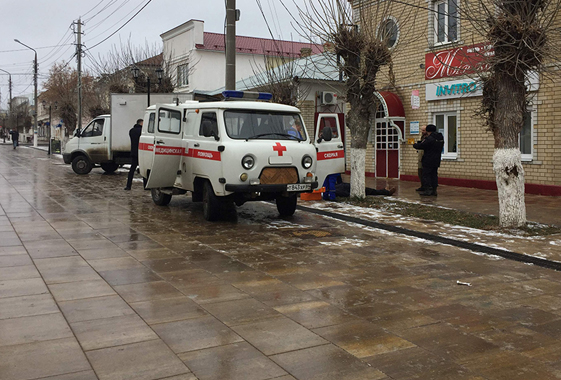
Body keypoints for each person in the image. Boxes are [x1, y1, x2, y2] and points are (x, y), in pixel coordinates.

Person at [413, 124, 444, 196]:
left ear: (428, 130)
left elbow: (422, 145)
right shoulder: (440, 137)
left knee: (426, 175)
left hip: (428, 159)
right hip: (436, 159)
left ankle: (428, 190)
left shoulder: (429, 138)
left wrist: (415, 145)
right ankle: (434, 190)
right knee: (434, 174)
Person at [124, 119, 143, 190]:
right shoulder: (142, 131)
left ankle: (128, 186)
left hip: (134, 152)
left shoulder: (131, 131)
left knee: (132, 170)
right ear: (141, 123)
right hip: (141, 152)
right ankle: (146, 186)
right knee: (143, 169)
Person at [416, 125, 428, 192]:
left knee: (424, 173)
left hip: (424, 157)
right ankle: (422, 185)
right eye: (421, 130)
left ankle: (425, 186)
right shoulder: (422, 137)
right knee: (420, 172)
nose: (422, 131)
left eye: (423, 130)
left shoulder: (427, 138)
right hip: (420, 156)